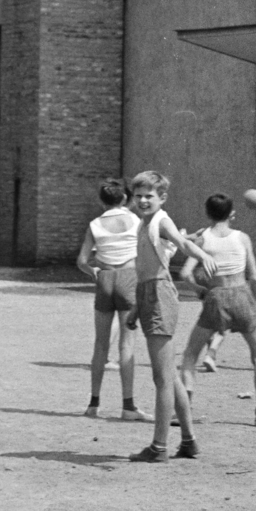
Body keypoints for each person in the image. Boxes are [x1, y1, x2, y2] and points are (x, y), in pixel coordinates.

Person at [127, 170, 217, 462]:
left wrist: (202, 255)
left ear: (162, 198)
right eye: (138, 195)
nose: (142, 201)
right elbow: (144, 268)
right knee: (169, 375)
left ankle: (158, 447)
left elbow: (183, 243)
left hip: (159, 294)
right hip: (147, 293)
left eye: (149, 196)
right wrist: (135, 308)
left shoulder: (161, 220)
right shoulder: (146, 222)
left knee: (162, 377)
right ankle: (189, 441)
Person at [178, 193, 256, 427]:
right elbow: (254, 276)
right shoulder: (242, 238)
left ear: (207, 213)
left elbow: (184, 274)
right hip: (241, 293)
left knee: (191, 354)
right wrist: (254, 300)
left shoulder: (203, 239)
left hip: (216, 296)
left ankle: (184, 410)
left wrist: (201, 291)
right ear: (231, 213)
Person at [74, 179, 149, 421]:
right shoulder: (136, 221)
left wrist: (94, 272)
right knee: (126, 346)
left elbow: (82, 261)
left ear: (101, 200)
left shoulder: (95, 224)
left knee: (100, 345)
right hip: (128, 277)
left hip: (104, 278)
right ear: (125, 199)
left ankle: (93, 404)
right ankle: (128, 406)